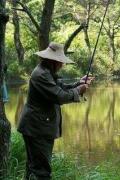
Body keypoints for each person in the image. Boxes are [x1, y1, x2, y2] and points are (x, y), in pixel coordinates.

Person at [17, 42, 94, 180]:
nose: (62, 65)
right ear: (53, 61)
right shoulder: (41, 74)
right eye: (61, 62)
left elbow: (60, 87)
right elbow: (60, 96)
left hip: (37, 128)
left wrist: (78, 83)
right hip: (37, 129)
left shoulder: (46, 71)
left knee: (33, 168)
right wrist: (79, 90)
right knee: (42, 172)